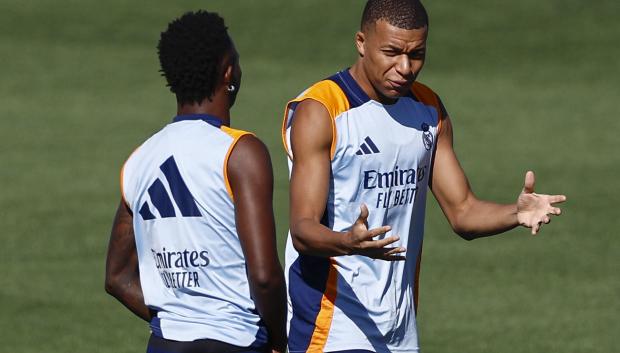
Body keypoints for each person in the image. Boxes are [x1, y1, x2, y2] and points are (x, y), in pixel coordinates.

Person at [282, 0, 567, 352]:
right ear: (361, 42)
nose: (404, 67)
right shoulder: (322, 111)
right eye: (391, 53)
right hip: (330, 324)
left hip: (400, 330)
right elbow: (303, 229)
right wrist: (348, 242)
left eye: (416, 54)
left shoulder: (428, 109)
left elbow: (463, 212)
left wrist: (516, 212)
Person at [105, 10, 286, 353]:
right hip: (238, 342)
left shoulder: (140, 160)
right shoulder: (241, 152)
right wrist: (280, 341)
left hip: (165, 344)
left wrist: (180, 319)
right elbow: (264, 276)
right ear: (228, 71)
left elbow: (118, 278)